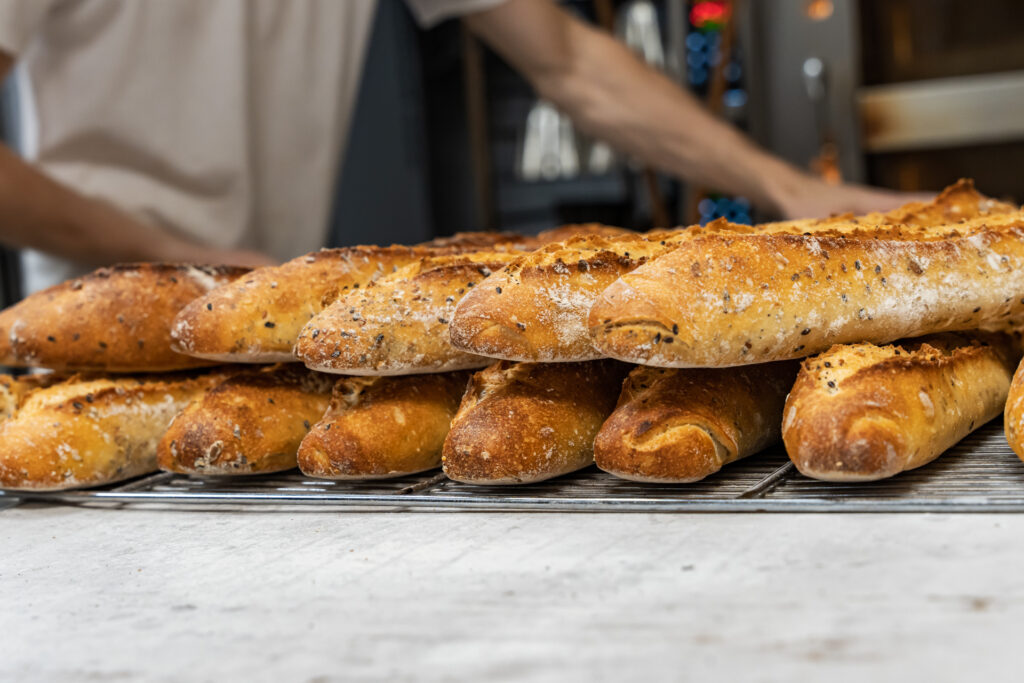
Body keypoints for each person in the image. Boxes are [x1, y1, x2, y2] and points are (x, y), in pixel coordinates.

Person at [0, 0, 916, 293]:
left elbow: (566, 60)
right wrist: (179, 255)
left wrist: (784, 188)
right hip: (103, 323)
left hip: (269, 313)